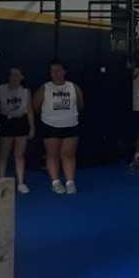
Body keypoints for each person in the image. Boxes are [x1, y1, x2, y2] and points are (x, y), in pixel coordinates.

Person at [34, 59, 83, 195]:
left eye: (58, 70)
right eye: (52, 71)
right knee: (52, 154)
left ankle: (70, 182)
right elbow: (36, 106)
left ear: (64, 71)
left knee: (68, 154)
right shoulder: (45, 88)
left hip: (71, 125)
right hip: (50, 125)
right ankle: (55, 182)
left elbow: (80, 105)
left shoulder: (73, 87)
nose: (55, 73)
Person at [0, 67, 35, 193]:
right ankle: (1, 181)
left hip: (21, 122)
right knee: (4, 154)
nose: (14, 77)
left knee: (19, 155)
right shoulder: (0, 89)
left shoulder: (25, 91)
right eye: (12, 75)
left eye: (17, 75)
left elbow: (29, 110)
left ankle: (21, 183)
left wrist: (32, 127)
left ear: (22, 77)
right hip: (6, 122)